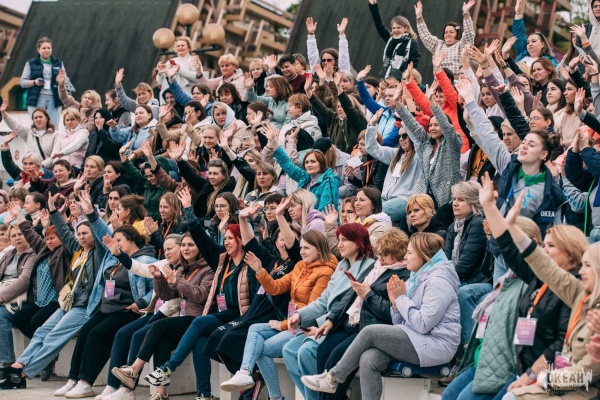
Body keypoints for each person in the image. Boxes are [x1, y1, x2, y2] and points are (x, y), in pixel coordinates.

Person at [301, 233, 460, 400]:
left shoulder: (438, 281)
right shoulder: (417, 276)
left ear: (423, 255)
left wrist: (401, 299)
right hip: (417, 338)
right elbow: (400, 321)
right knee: (368, 359)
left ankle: (333, 378)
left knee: (370, 332)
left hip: (437, 344)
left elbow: (423, 324)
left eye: (409, 253)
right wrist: (395, 305)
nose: (406, 257)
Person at [482, 184, 600, 400]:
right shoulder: (579, 293)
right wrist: (498, 216)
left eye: (550, 246)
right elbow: (532, 259)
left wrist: (541, 377)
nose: (544, 251)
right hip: (540, 374)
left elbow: (586, 372)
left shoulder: (575, 289)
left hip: (565, 382)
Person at [219, 208, 336, 400]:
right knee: (254, 329)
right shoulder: (300, 266)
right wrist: (260, 271)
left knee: (262, 350)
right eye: (301, 248)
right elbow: (276, 288)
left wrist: (282, 325)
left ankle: (276, 397)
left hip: (304, 326)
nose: (302, 251)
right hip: (291, 323)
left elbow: (313, 309)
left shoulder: (325, 271)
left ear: (319, 249)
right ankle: (245, 372)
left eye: (307, 248)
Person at [53, 190, 155, 398]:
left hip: (128, 310)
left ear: (132, 241)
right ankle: (74, 379)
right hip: (107, 307)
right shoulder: (113, 256)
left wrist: (141, 302)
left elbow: (156, 289)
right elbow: (102, 234)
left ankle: (87, 382)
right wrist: (90, 213)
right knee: (86, 331)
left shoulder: (145, 259)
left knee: (98, 334)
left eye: (119, 240)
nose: (114, 244)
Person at [4, 192, 105, 386]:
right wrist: (52, 210)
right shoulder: (78, 250)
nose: (82, 237)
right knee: (42, 331)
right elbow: (63, 232)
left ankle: (24, 373)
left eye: (86, 233)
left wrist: (91, 213)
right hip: (69, 302)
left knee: (53, 336)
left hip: (85, 307)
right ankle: (19, 363)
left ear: (93, 234)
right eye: (79, 234)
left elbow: (68, 232)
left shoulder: (98, 252)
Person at [106, 232, 214, 400]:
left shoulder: (208, 269)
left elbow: (200, 295)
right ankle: (161, 393)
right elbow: (168, 295)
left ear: (200, 247)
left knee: (158, 326)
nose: (186, 249)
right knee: (162, 343)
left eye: (190, 245)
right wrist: (158, 278)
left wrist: (176, 280)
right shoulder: (182, 269)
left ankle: (134, 370)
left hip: (198, 318)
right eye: (184, 245)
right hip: (183, 318)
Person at [313, 228, 412, 400]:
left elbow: (392, 312)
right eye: (379, 253)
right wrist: (331, 319)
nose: (380, 257)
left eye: (385, 254)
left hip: (369, 327)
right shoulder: (377, 267)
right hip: (352, 322)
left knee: (337, 357)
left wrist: (368, 295)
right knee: (323, 351)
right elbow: (350, 295)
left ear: (397, 253)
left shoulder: (402, 274)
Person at [283, 223, 376, 400]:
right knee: (289, 350)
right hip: (328, 322)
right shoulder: (342, 265)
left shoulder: (368, 267)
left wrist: (320, 324)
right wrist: (300, 315)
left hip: (343, 325)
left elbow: (349, 305)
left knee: (306, 352)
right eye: (339, 239)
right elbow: (324, 300)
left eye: (345, 240)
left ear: (358, 243)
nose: (339, 244)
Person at [266, 125, 340, 213]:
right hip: (303, 219)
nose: (309, 165)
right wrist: (273, 141)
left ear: (321, 164)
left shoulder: (329, 180)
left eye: (313, 161)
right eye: (306, 162)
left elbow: (325, 210)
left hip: (320, 220)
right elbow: (287, 164)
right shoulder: (304, 177)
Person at [365, 113, 420, 224]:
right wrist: (372, 125)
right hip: (385, 198)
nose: (401, 139)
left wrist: (404, 119)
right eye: (399, 137)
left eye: (404, 136)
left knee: (375, 214)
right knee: (363, 208)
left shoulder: (419, 156)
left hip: (405, 200)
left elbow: (418, 140)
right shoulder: (395, 155)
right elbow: (372, 148)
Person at [0, 223, 36, 382]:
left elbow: (24, 281)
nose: (17, 238)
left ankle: (7, 363)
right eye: (13, 235)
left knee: (0, 316)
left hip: (23, 298)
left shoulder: (32, 254)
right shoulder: (9, 254)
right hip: (6, 294)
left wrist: (1, 297)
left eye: (20, 234)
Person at [306, 74, 366, 154]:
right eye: (338, 107)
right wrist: (308, 91)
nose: (340, 109)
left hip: (356, 155)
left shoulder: (357, 118)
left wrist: (339, 87)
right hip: (338, 157)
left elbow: (348, 107)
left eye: (342, 106)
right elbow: (321, 108)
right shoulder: (334, 120)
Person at [414, 0, 476, 75]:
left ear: (458, 34)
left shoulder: (462, 46)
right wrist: (419, 17)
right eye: (446, 32)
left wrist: (466, 13)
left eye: (451, 32)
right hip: (438, 80)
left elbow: (468, 34)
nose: (448, 34)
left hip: (456, 80)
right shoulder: (438, 45)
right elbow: (425, 36)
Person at [367, 0, 421, 79]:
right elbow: (379, 25)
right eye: (393, 28)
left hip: (400, 79)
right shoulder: (390, 40)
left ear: (406, 28)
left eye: (398, 28)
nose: (395, 30)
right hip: (385, 78)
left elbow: (414, 65)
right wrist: (373, 5)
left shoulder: (412, 43)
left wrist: (407, 78)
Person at [20, 37, 65, 126]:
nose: (46, 50)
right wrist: (35, 82)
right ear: (38, 49)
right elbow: (22, 82)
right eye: (44, 48)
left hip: (54, 99)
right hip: (36, 99)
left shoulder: (59, 63)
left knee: (53, 126)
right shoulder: (30, 63)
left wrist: (61, 81)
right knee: (37, 126)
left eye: (49, 48)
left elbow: (66, 82)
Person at [512, 0, 558, 66]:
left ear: (542, 44)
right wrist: (518, 13)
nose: (530, 44)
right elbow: (519, 33)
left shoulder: (550, 62)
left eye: (533, 41)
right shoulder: (523, 53)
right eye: (528, 42)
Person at [146, 192, 189, 257]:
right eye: (160, 207)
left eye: (165, 207)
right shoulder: (163, 225)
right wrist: (151, 234)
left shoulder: (181, 226)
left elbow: (168, 249)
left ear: (175, 209)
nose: (161, 210)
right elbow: (155, 248)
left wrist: (155, 232)